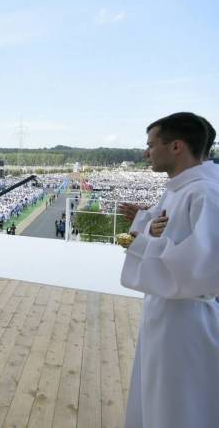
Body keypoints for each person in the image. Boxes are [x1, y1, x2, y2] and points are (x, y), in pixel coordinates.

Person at [120, 112, 219, 428]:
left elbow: (205, 268)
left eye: (151, 144)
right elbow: (171, 233)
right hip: (168, 311)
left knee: (178, 406)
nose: (146, 152)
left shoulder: (205, 193)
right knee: (159, 400)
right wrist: (146, 222)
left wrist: (139, 243)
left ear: (176, 146)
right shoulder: (181, 188)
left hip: (187, 319)